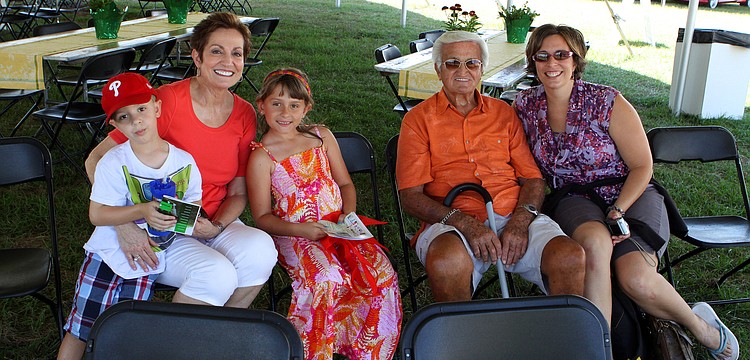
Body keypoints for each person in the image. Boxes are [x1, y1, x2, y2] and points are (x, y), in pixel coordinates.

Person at [514, 24, 739, 360]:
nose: (552, 63)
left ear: (576, 59)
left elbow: (642, 165)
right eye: (542, 55)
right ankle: (599, 351)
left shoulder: (606, 100)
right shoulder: (524, 105)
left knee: (635, 278)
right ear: (533, 61)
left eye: (562, 54)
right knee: (595, 243)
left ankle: (701, 327)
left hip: (630, 191)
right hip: (574, 197)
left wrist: (618, 210)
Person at [85, 12, 277, 310]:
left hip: (211, 220)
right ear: (197, 57)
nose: (228, 61)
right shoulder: (167, 102)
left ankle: (221, 335)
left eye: (236, 53)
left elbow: (238, 192)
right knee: (216, 275)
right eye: (216, 51)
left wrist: (216, 226)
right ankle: (179, 341)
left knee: (262, 250)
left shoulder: (244, 113)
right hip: (159, 227)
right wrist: (123, 224)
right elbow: (96, 159)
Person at [396, 30, 586, 303]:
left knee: (569, 256)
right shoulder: (418, 120)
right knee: (447, 262)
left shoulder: (503, 113)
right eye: (453, 63)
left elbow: (532, 178)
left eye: (472, 63)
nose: (463, 71)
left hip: (512, 215)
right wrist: (463, 222)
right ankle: (461, 341)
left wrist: (521, 221)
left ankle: (561, 339)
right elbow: (410, 196)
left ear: (482, 69)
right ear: (438, 70)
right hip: (451, 221)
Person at [247, 68, 402, 360]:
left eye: (294, 105)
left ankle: (366, 352)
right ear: (261, 105)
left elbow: (345, 184)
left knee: (380, 273)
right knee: (326, 278)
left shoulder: (321, 137)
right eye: (276, 103)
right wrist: (304, 231)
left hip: (339, 228)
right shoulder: (261, 156)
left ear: (306, 108)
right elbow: (263, 218)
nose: (285, 112)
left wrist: (349, 215)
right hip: (295, 235)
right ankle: (312, 352)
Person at [58, 73, 203, 359]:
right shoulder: (113, 162)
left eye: (141, 109)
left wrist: (177, 220)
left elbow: (193, 204)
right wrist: (141, 210)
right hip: (106, 255)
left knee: (127, 331)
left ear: (157, 108)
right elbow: (97, 214)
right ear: (113, 124)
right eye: (123, 116)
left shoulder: (184, 161)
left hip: (147, 261)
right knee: (81, 328)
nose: (136, 121)